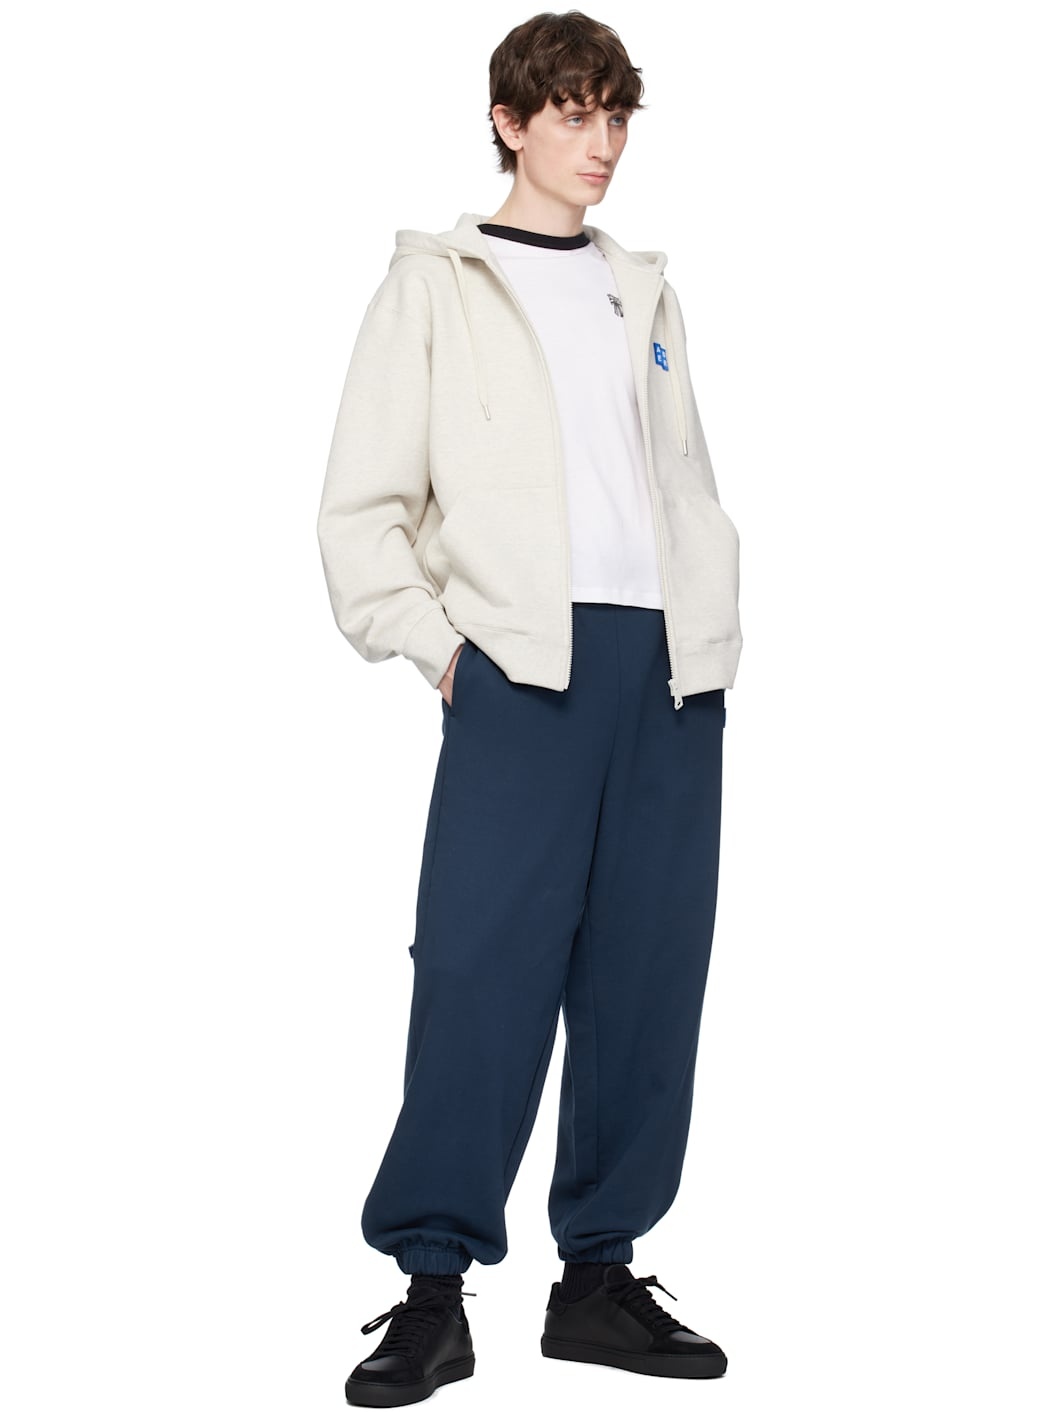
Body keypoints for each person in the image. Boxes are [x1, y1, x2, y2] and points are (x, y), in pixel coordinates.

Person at [316, 10, 743, 1405]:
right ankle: (432, 1289)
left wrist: (708, 628)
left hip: (666, 675)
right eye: (572, 113)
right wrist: (444, 654)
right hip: (520, 668)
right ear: (509, 121)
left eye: (616, 115)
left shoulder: (643, 289)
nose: (601, 141)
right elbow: (365, 509)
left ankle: (599, 1281)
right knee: (480, 974)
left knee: (646, 978)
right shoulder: (436, 286)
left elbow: (674, 482)